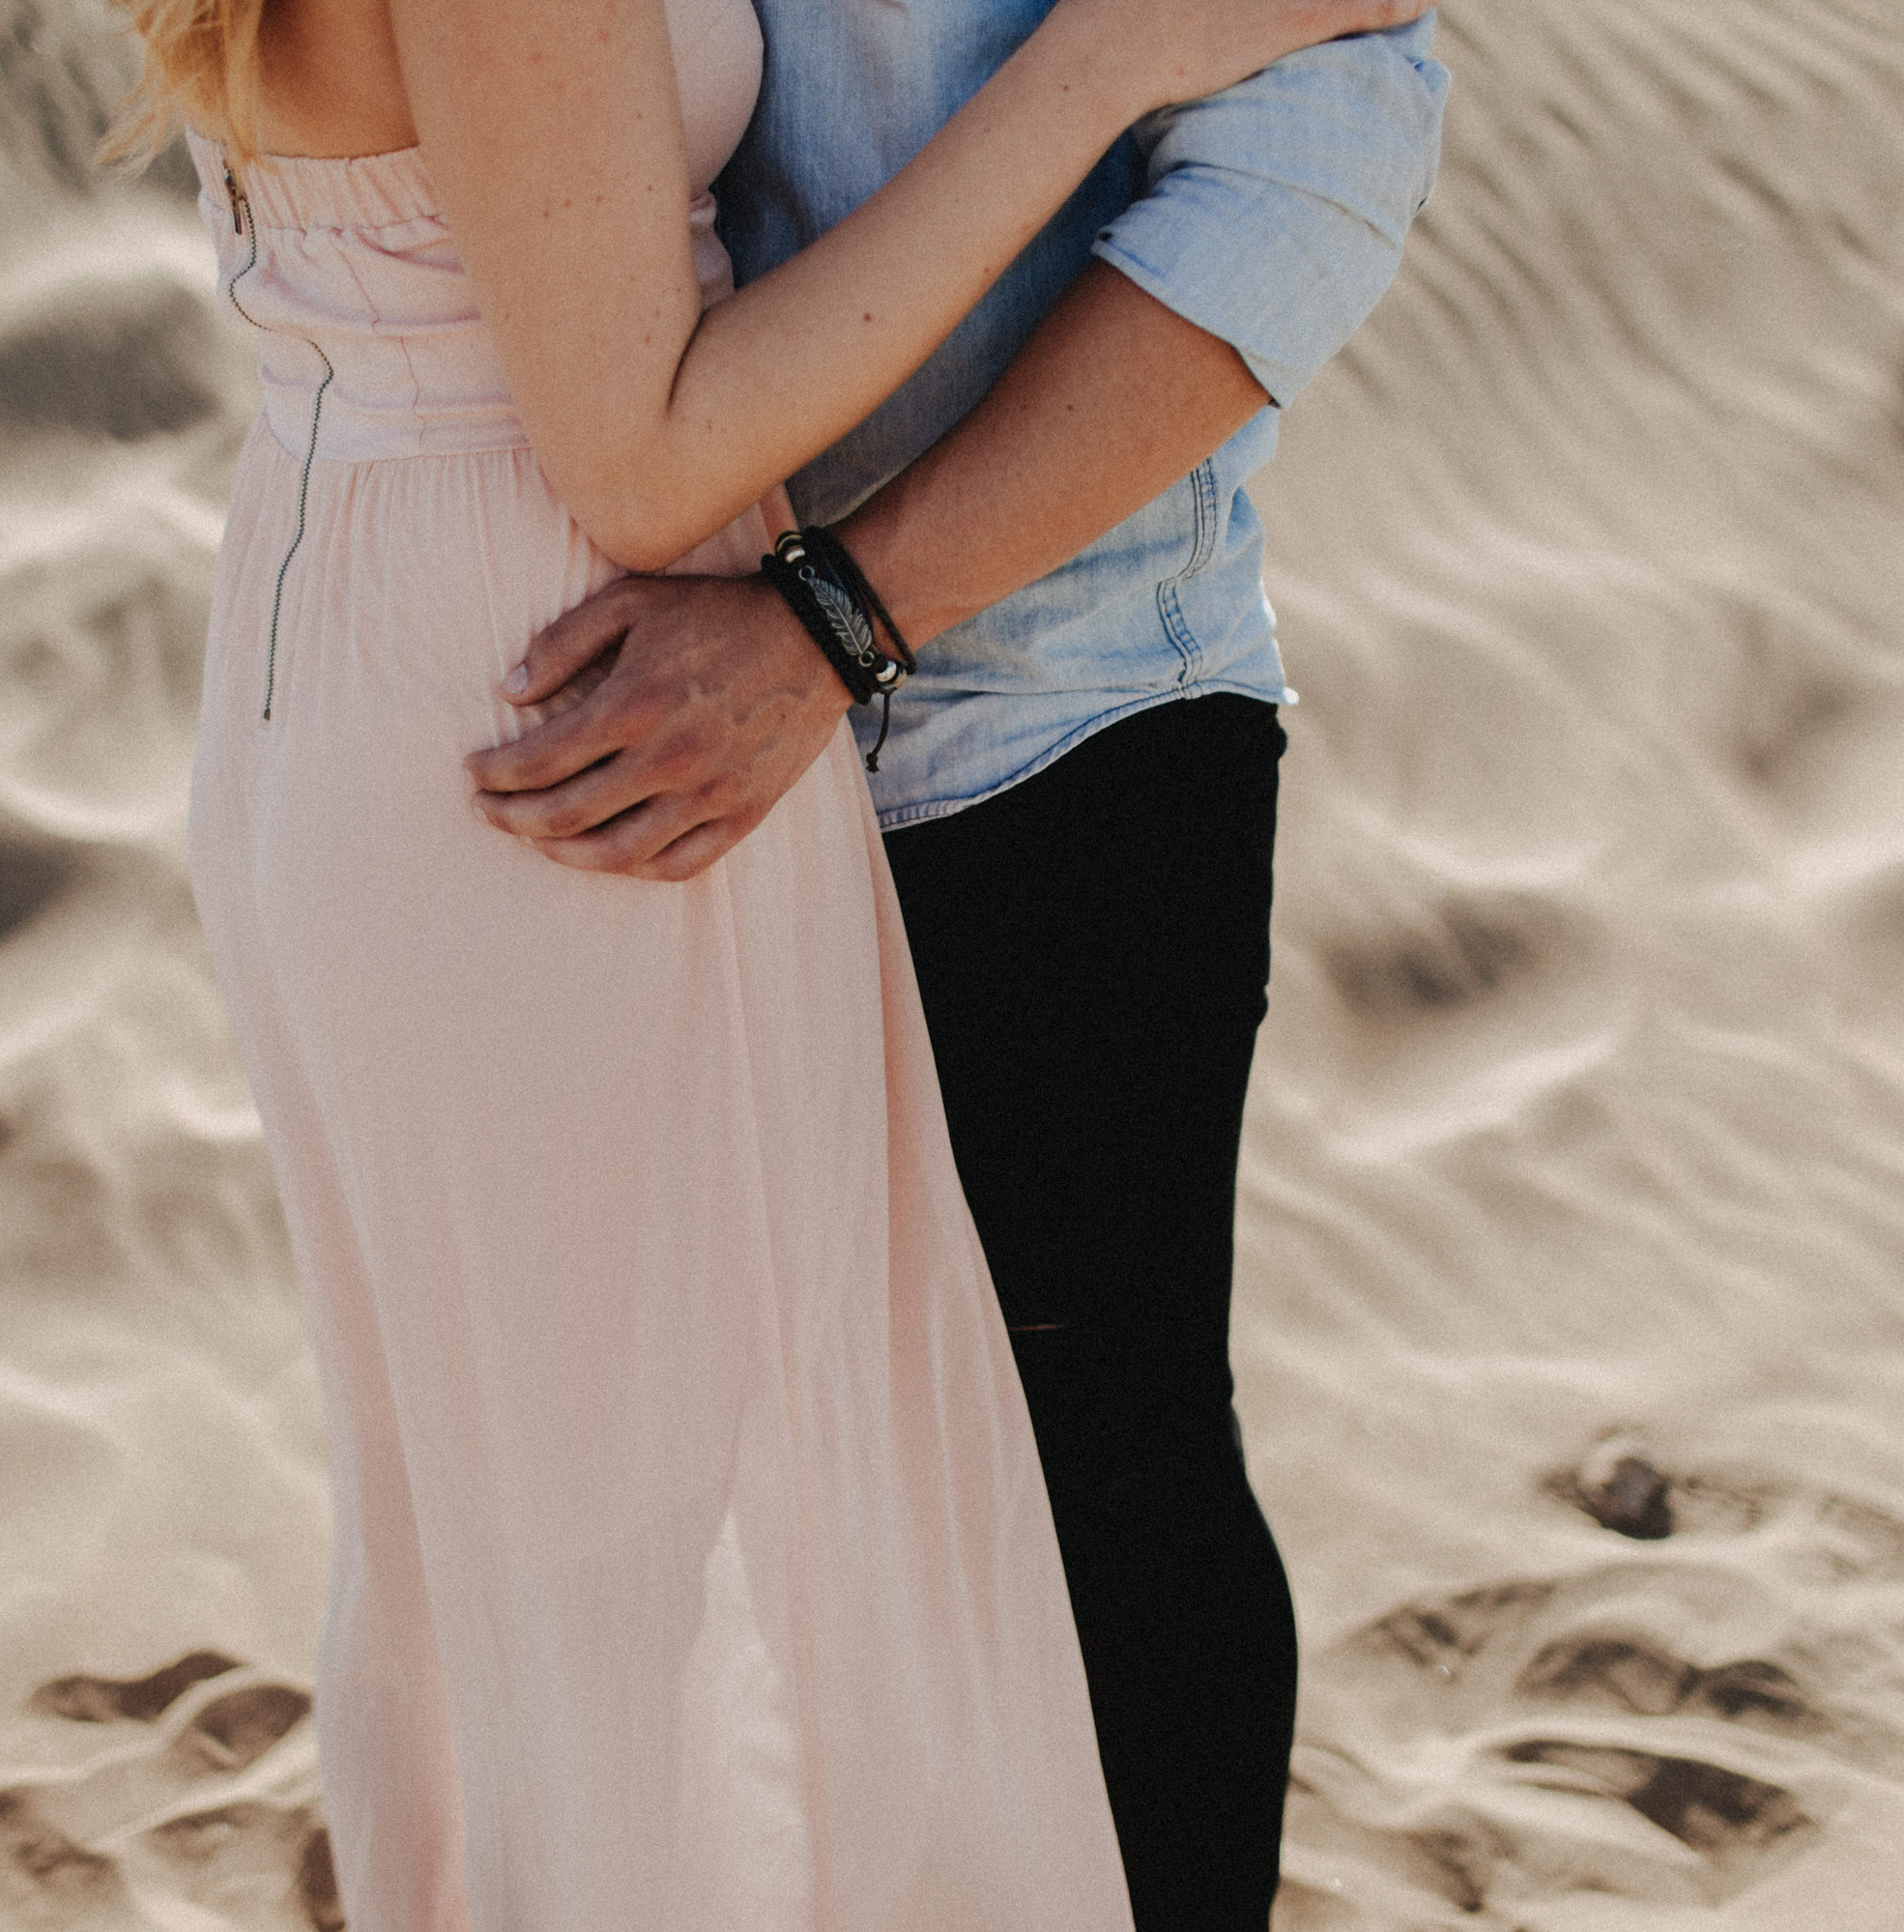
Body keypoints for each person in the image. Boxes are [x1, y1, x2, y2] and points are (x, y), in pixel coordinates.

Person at [100, 0, 1428, 1924]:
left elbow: (1309, 161)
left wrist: (846, 610)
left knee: (1068, 1512)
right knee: (592, 1569)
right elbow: (624, 423)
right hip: (577, 723)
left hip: (1034, 703)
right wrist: (1100, 58)